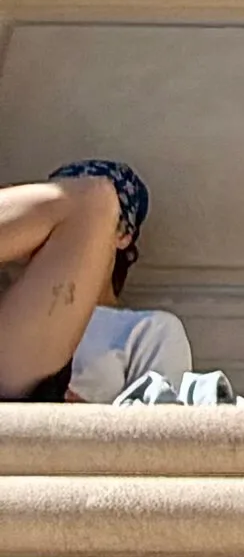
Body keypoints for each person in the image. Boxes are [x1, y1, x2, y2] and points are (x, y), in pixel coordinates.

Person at [1, 161, 149, 403]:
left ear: (124, 235)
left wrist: (88, 420)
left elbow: (165, 416)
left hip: (43, 414)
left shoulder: (144, 327)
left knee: (95, 199)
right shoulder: (15, 302)